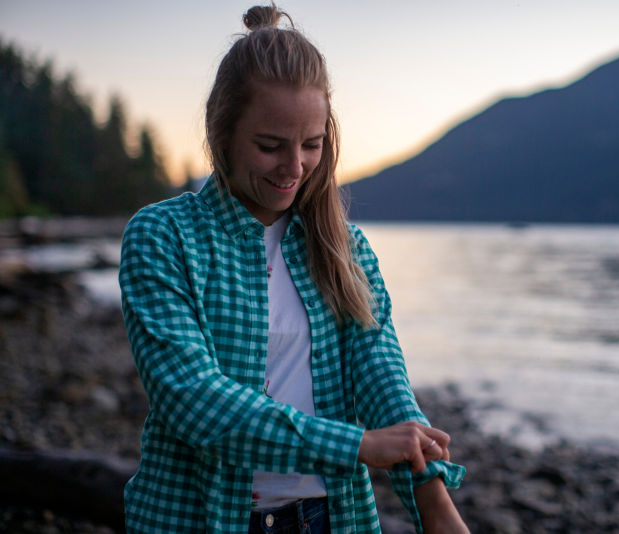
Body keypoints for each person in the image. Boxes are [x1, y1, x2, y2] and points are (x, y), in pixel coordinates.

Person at [118, 4, 467, 533]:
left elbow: (381, 374)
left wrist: (435, 502)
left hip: (333, 518)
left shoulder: (346, 248)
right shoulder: (163, 236)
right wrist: (358, 445)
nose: (296, 167)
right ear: (222, 133)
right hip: (196, 517)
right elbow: (193, 400)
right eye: (270, 146)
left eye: (312, 144)